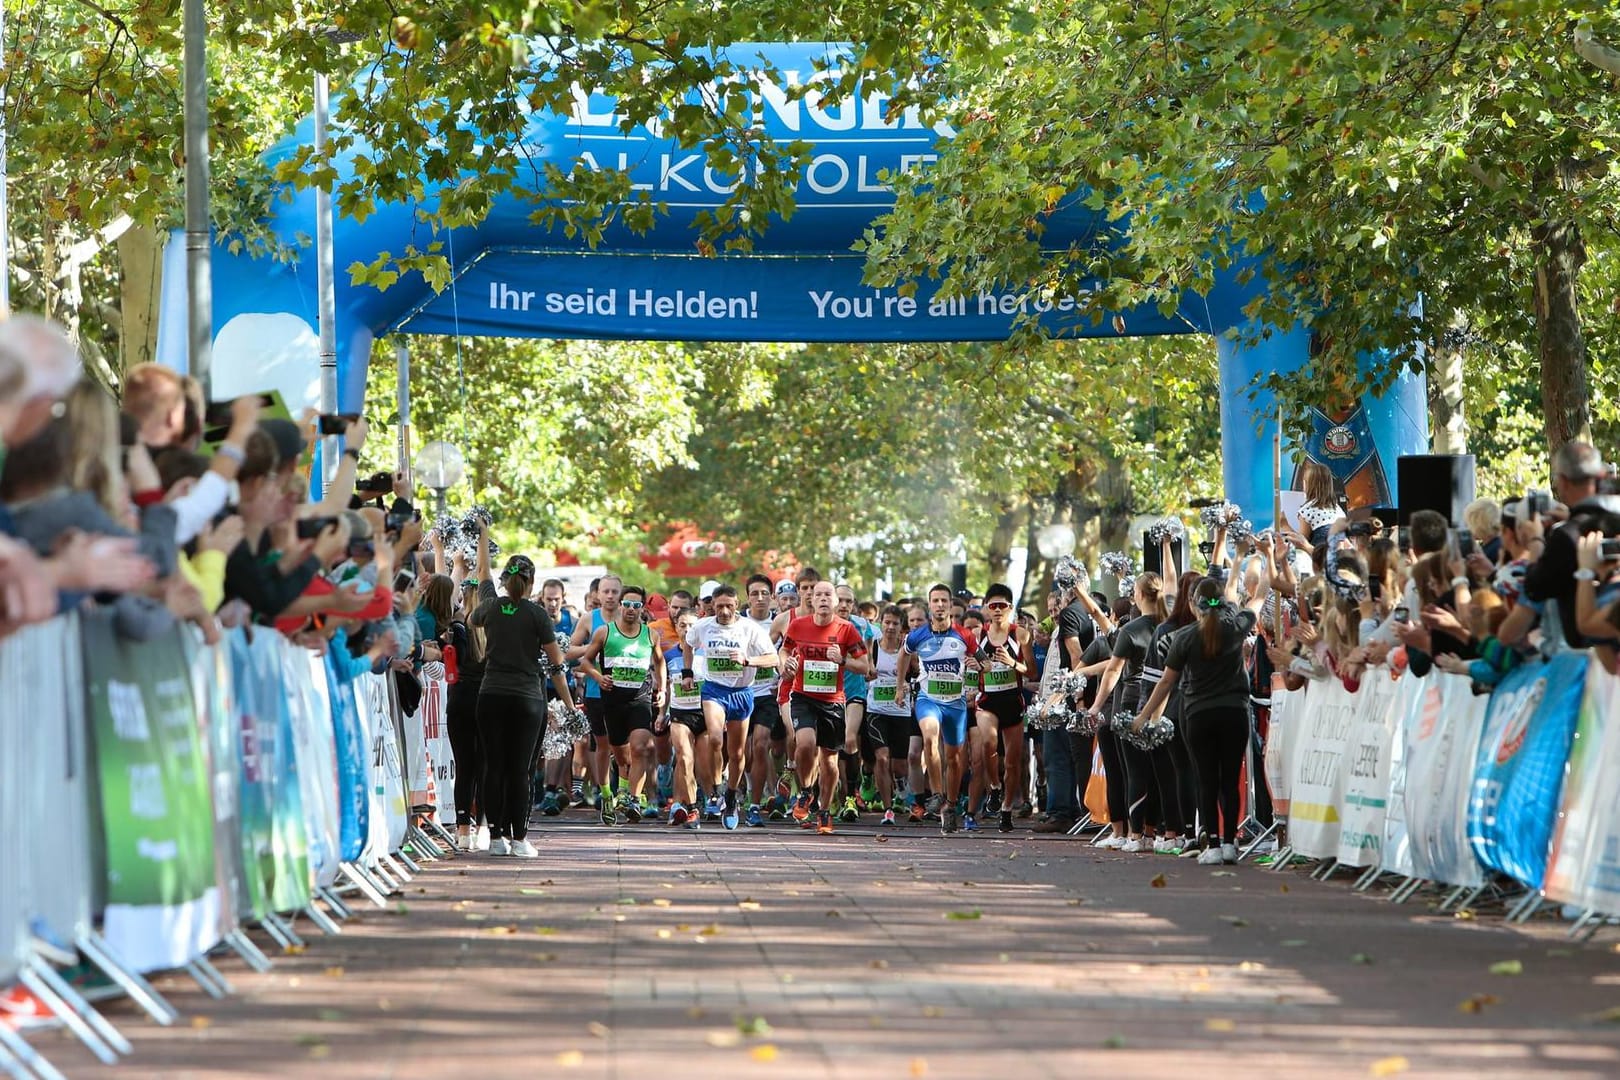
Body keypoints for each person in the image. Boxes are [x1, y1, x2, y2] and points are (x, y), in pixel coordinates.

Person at [1135, 557, 1269, 865]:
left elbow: (1166, 681)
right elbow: (1259, 598)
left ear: (1194, 605)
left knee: (1205, 779)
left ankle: (1212, 845)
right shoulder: (1236, 627)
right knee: (1229, 780)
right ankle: (1231, 843)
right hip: (1234, 712)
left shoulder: (1184, 637)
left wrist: (1144, 715)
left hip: (1197, 715)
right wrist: (1270, 562)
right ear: (1222, 603)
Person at [469, 543, 578, 857]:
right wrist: (570, 707)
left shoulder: (490, 607)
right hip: (527, 699)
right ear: (532, 584)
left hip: (490, 695)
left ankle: (495, 839)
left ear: (505, 580)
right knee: (521, 770)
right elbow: (557, 665)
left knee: (493, 766)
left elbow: (478, 608)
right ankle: (519, 839)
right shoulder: (538, 615)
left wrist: (483, 538)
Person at [680, 583, 778, 829]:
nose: (724, 611)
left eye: (729, 606)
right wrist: (688, 672)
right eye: (719, 606)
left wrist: (748, 660)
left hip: (742, 693)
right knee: (714, 738)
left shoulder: (749, 629)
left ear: (737, 605)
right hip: (714, 690)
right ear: (712, 605)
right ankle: (714, 791)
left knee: (737, 753)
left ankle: (732, 796)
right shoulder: (703, 627)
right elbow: (687, 643)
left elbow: (774, 658)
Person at [779, 580, 872, 833]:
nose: (821, 598)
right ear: (811, 600)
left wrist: (841, 659)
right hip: (802, 696)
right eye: (817, 594)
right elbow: (784, 652)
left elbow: (864, 666)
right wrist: (786, 665)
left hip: (832, 701)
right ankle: (806, 791)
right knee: (805, 743)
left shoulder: (847, 629)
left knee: (830, 761)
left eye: (827, 594)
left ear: (835, 601)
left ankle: (824, 810)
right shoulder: (798, 625)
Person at [1089, 573, 1170, 852]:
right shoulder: (1169, 625)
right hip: (1165, 701)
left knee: (1132, 770)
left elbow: (1113, 670)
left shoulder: (1131, 630)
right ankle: (1155, 832)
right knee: (1159, 770)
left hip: (1132, 700)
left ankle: (1135, 835)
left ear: (1138, 594)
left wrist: (1097, 705)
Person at [895, 583, 981, 834]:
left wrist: (977, 664)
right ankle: (938, 795)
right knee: (930, 739)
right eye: (935, 601)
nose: (940, 605)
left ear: (950, 604)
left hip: (955, 704)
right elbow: (902, 655)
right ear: (929, 605)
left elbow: (984, 663)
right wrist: (900, 687)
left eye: (944, 600)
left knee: (954, 759)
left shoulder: (964, 635)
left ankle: (951, 806)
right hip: (928, 699)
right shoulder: (918, 634)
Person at [576, 583, 666, 824]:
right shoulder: (604, 632)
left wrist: (663, 689)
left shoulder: (650, 634)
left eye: (636, 605)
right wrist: (597, 676)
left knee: (640, 748)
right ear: (620, 605)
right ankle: (608, 795)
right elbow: (585, 662)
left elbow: (660, 662)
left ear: (642, 608)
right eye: (627, 604)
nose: (630, 609)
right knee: (619, 755)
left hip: (640, 698)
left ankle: (633, 799)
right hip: (612, 701)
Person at [973, 583, 1032, 833]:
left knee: (1012, 762)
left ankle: (1007, 809)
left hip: (1013, 700)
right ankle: (995, 788)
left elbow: (1031, 671)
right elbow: (972, 666)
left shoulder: (1020, 634)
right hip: (987, 700)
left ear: (1010, 608)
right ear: (987, 608)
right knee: (988, 742)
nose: (997, 610)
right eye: (993, 606)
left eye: (1002, 606)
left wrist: (1012, 663)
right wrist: (975, 665)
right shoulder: (979, 635)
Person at [743, 573, 786, 827]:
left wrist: (782, 678)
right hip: (740, 694)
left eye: (764, 593)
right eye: (754, 593)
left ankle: (756, 804)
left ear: (772, 597)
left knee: (762, 745)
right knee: (742, 753)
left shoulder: (779, 623)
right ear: (747, 598)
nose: (759, 598)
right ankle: (747, 789)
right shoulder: (738, 623)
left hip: (768, 695)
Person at [864, 604, 913, 826]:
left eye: (895, 623)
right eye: (887, 622)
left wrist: (904, 685)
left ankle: (901, 784)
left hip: (901, 712)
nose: (890, 627)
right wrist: (868, 673)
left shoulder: (907, 649)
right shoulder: (871, 646)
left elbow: (918, 672)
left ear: (902, 627)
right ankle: (888, 809)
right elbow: (863, 673)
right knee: (882, 758)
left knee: (899, 765)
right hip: (876, 712)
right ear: (880, 624)